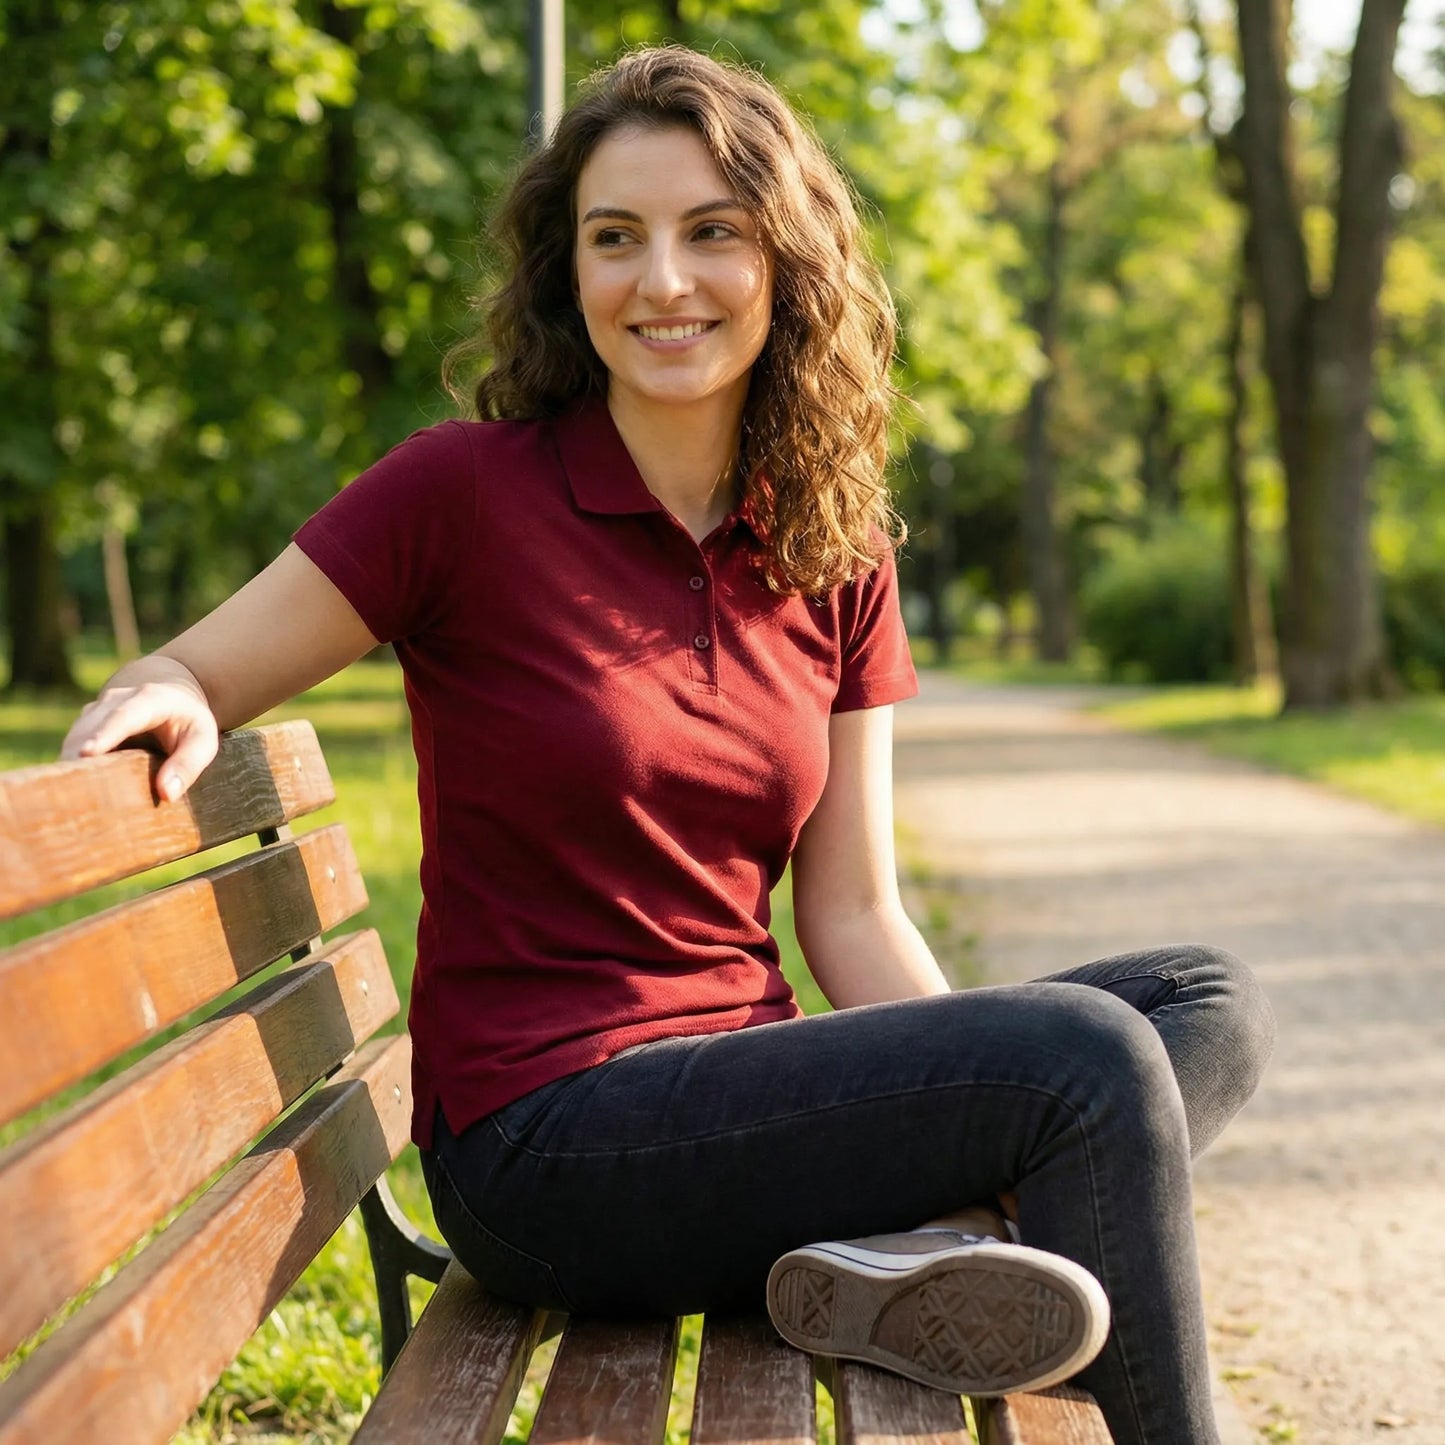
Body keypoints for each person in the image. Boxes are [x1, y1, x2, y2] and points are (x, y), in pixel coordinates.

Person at [62, 46, 1274, 1445]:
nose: (664, 282)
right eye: (614, 238)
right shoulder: (458, 493)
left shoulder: (832, 539)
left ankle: (911, 1252)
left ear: (785, 258)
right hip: (544, 1141)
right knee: (1082, 1061)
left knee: (1202, 999)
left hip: (734, 1097)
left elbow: (854, 906)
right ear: (564, 274)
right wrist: (176, 693)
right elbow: (194, 662)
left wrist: (965, 1104)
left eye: (713, 232)